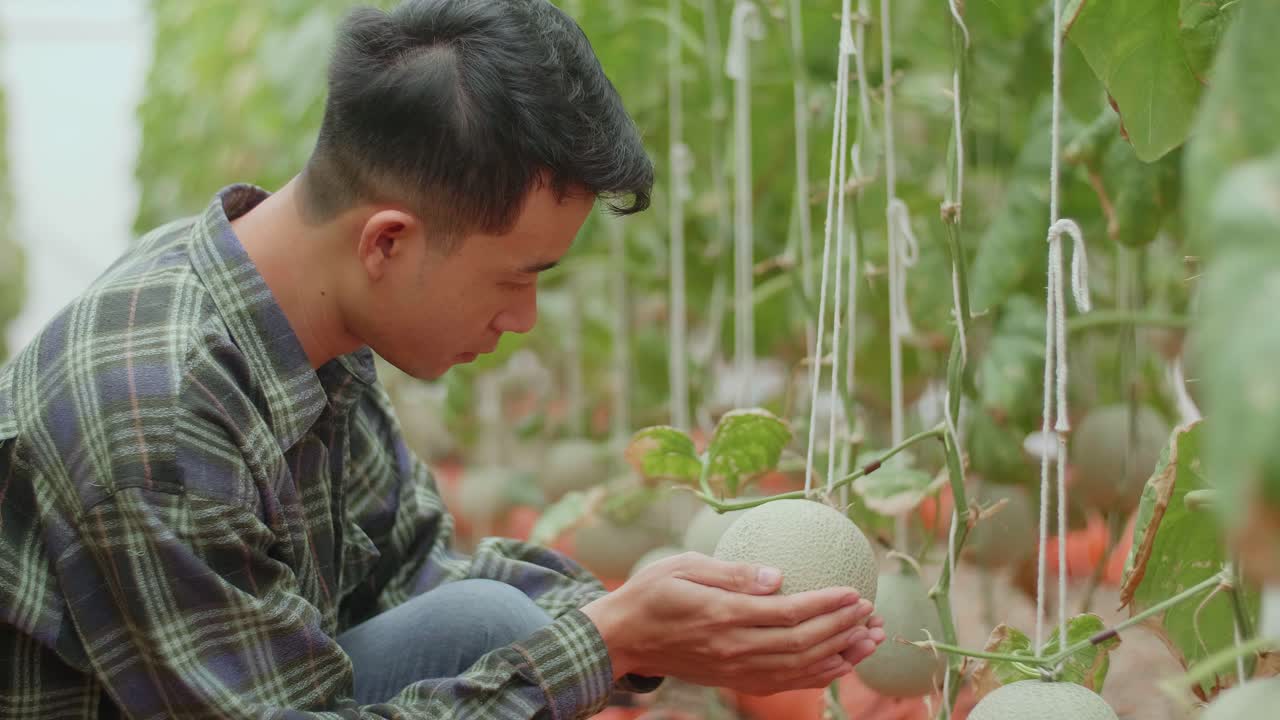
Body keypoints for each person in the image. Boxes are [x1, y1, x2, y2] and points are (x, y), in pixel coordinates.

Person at [0, 1, 885, 717]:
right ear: (389, 242)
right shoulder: (159, 412)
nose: (526, 317)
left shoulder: (295, 316)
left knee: (492, 615)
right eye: (518, 276)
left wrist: (652, 618)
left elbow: (409, 567)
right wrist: (612, 640)